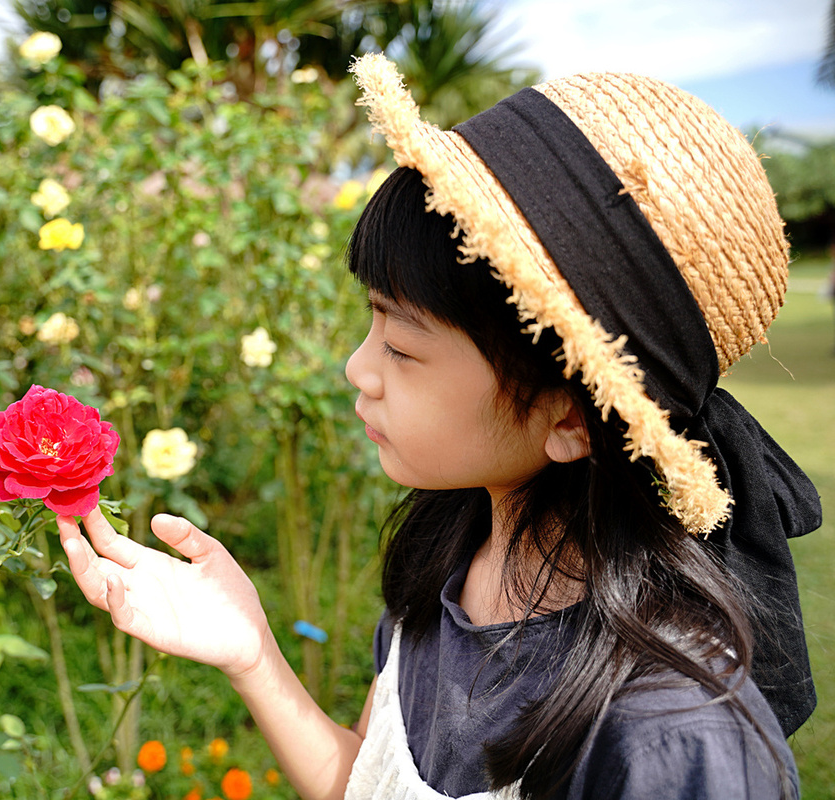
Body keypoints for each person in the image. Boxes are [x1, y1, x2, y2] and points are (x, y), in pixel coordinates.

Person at [55, 54, 821, 800]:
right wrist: (252, 654)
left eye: (402, 346)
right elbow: (369, 781)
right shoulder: (451, 553)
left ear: (570, 417)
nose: (359, 369)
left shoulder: (676, 736)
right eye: (372, 325)